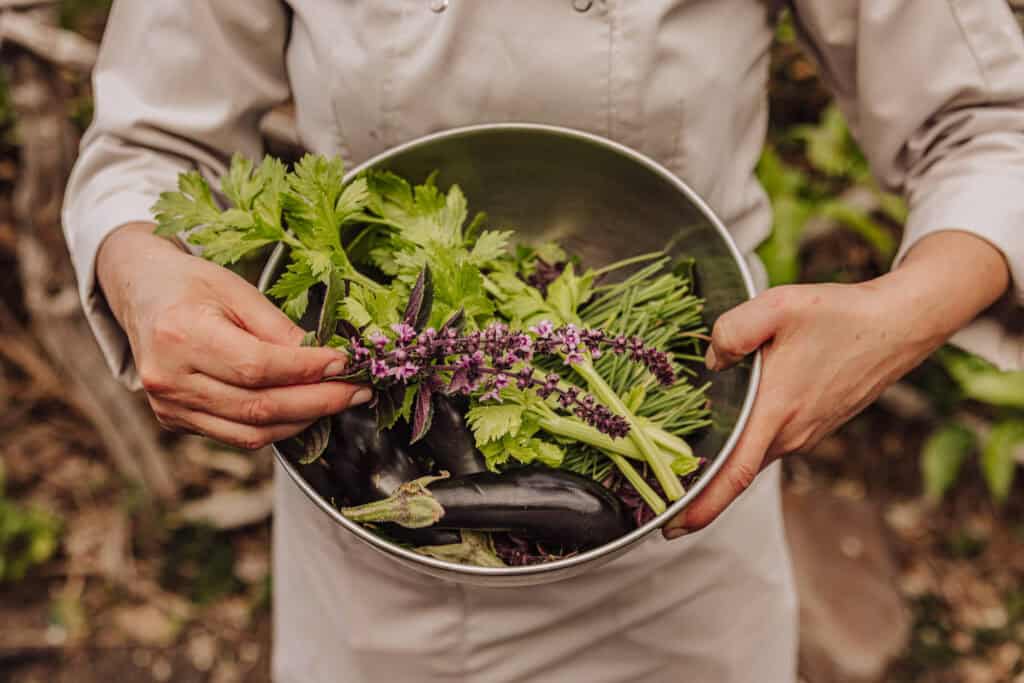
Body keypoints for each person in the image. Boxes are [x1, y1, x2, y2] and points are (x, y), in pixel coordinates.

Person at [63, 2, 1022, 681]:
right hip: (371, 533)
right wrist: (144, 275)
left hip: (676, 536)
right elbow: (152, 149)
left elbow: (989, 126)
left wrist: (898, 316)